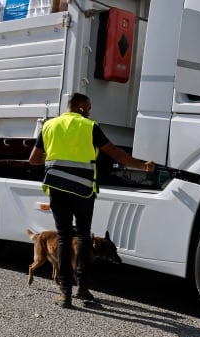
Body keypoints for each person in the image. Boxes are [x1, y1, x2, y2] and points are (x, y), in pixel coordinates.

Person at [28, 92, 155, 308]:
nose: (89, 111)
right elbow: (115, 153)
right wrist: (143, 166)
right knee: (84, 238)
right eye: (88, 108)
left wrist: (55, 163)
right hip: (83, 192)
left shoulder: (49, 125)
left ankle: (65, 294)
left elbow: (33, 159)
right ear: (79, 108)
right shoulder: (89, 126)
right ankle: (83, 289)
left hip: (58, 191)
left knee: (63, 238)